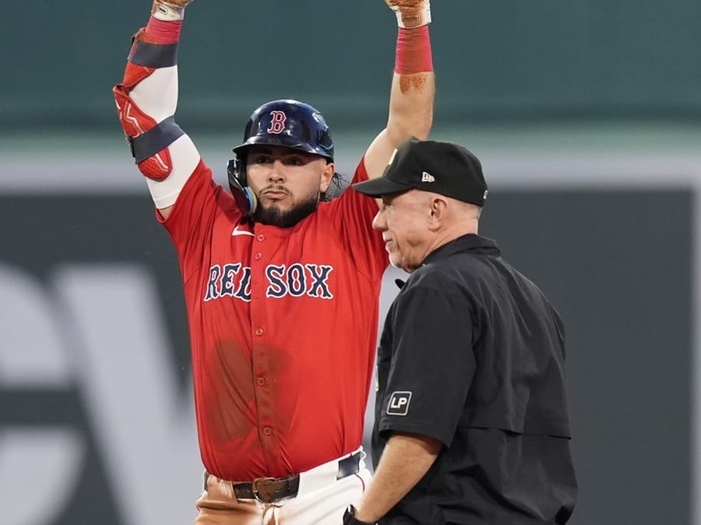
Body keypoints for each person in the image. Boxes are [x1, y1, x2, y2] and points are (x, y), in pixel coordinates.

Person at [113, 0, 436, 522]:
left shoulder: (354, 226)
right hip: (224, 504)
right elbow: (144, 114)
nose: (275, 172)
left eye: (294, 159)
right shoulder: (203, 222)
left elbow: (406, 130)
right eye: (261, 159)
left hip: (330, 500)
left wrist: (413, 22)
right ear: (242, 169)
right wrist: (167, 10)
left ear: (328, 172)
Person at [341, 137, 578, 524]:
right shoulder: (533, 299)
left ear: (436, 210)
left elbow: (418, 435)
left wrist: (360, 519)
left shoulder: (437, 288)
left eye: (389, 205)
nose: (377, 221)